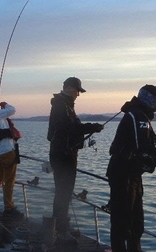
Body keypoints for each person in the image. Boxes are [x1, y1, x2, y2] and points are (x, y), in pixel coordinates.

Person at [106, 84, 156, 252]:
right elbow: (142, 147)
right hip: (123, 175)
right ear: (148, 98)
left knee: (136, 222)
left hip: (132, 174)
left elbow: (141, 152)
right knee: (121, 221)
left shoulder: (140, 116)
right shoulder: (136, 116)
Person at [47, 77, 104, 244]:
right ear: (71, 88)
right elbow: (70, 127)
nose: (79, 94)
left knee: (64, 192)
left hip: (64, 153)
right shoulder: (61, 105)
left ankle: (61, 225)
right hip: (63, 155)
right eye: (78, 90)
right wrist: (93, 126)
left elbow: (71, 126)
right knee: (63, 192)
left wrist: (90, 127)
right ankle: (61, 230)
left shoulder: (65, 104)